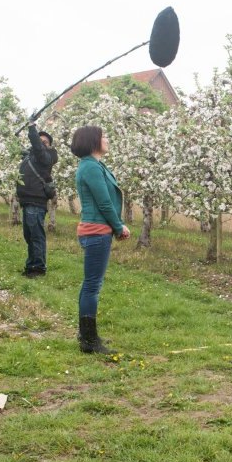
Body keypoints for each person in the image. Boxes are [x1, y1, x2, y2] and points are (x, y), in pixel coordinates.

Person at [71, 125, 129, 354]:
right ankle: (89, 340)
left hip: (97, 230)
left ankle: (86, 334)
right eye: (103, 136)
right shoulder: (90, 167)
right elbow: (104, 202)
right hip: (96, 231)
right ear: (93, 140)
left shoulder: (94, 166)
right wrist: (118, 227)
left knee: (91, 284)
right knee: (92, 285)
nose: (107, 139)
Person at [16, 123, 58, 277]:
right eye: (39, 141)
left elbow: (38, 147)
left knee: (36, 236)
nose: (41, 144)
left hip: (36, 201)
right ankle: (31, 266)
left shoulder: (47, 157)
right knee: (29, 235)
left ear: (49, 146)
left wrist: (32, 127)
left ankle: (38, 268)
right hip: (27, 201)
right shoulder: (30, 156)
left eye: (44, 142)